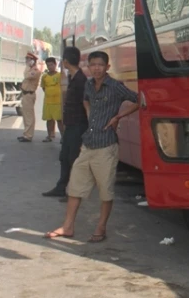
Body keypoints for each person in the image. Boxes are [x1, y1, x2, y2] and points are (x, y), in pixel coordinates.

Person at [45, 51, 139, 243]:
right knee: (74, 187)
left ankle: (101, 227)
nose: (96, 68)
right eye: (93, 65)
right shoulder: (88, 84)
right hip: (87, 144)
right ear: (88, 67)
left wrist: (118, 117)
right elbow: (85, 99)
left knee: (105, 191)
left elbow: (139, 100)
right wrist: (89, 113)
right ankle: (68, 227)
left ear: (107, 67)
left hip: (106, 146)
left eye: (100, 65)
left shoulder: (115, 86)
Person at [42, 47, 88, 199]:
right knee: (64, 157)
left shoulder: (80, 80)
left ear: (66, 62)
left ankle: (74, 191)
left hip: (78, 125)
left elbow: (86, 104)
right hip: (71, 124)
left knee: (74, 158)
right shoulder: (72, 77)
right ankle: (61, 187)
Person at [18, 52, 42, 143]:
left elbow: (26, 76)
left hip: (29, 94)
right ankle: (26, 133)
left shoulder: (35, 71)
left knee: (29, 116)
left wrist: (28, 66)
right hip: (25, 94)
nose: (26, 61)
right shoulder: (30, 69)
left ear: (33, 61)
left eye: (28, 60)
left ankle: (28, 135)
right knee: (25, 115)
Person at [40, 57, 64, 143]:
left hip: (58, 102)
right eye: (48, 65)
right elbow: (43, 87)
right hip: (48, 102)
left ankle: (63, 137)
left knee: (60, 120)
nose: (50, 67)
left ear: (55, 64)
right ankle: (49, 136)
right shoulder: (44, 76)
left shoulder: (60, 75)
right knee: (49, 120)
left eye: (51, 65)